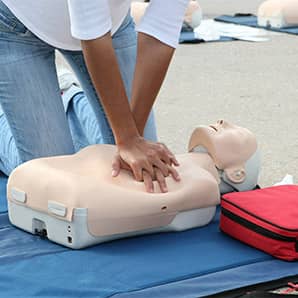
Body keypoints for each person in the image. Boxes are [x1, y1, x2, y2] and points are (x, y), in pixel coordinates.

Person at [0, 0, 190, 192]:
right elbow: (92, 34)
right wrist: (128, 138)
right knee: (53, 184)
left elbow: (160, 34)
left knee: (137, 175)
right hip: (19, 26)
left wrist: (135, 138)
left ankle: (67, 98)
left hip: (110, 25)